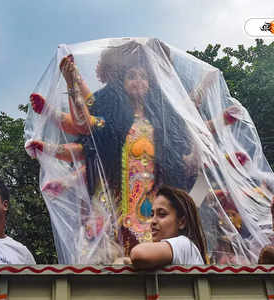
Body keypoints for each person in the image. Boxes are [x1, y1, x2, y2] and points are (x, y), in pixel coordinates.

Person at [26, 41, 198, 262]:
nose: (138, 81)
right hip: (113, 200)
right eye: (132, 76)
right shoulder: (111, 122)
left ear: (150, 83)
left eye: (143, 77)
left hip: (149, 204)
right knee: (107, 262)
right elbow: (83, 121)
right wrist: (72, 84)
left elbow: (183, 139)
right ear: (121, 83)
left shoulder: (160, 124)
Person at [119, 185, 207, 269]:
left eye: (162, 214)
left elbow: (138, 254)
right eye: (152, 215)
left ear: (182, 222)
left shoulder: (185, 244)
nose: (153, 221)